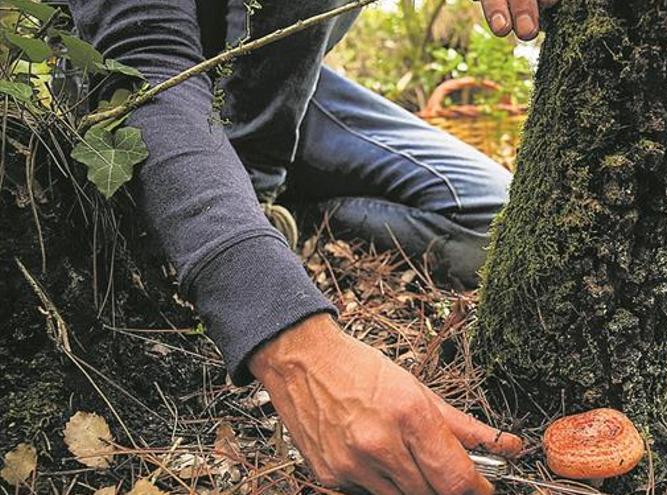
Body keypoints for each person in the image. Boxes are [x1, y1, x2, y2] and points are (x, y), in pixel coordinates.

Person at [67, 0, 556, 493]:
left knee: (492, 222)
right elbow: (144, 68)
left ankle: (283, 211)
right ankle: (246, 201)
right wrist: (294, 346)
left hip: (292, 97)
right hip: (167, 85)